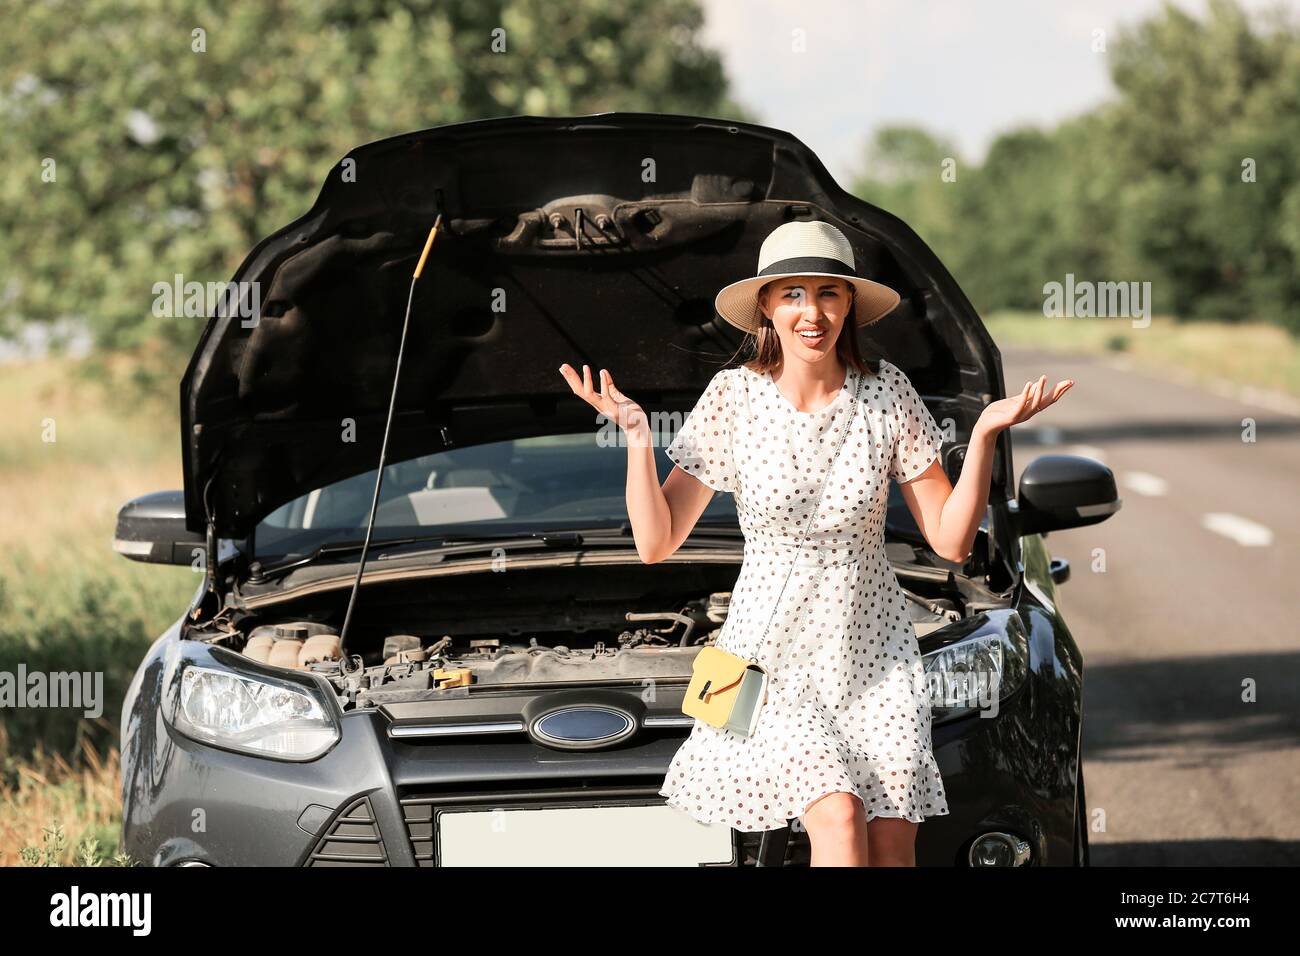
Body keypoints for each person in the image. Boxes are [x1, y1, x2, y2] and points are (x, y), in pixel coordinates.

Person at [558, 220, 1072, 866]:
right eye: (793, 294)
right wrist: (637, 437)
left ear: (849, 304)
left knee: (890, 843)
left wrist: (987, 436)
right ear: (766, 307)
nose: (812, 311)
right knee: (837, 810)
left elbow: (949, 540)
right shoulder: (734, 398)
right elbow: (658, 542)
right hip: (770, 660)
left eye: (829, 293)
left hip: (875, 657)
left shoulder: (887, 395)